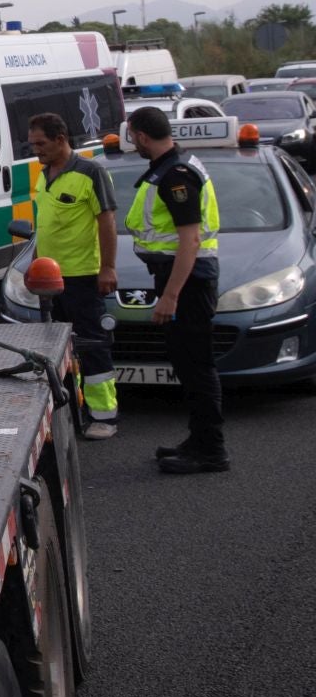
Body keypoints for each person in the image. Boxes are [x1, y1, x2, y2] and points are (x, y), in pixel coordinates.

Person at [125, 107, 227, 474]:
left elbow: (191, 239)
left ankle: (211, 450)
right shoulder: (174, 166)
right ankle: (198, 440)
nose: (132, 142)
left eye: (131, 136)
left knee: (197, 366)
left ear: (140, 135)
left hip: (188, 281)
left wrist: (170, 295)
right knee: (187, 364)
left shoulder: (176, 174)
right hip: (183, 278)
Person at [26, 113, 121, 440]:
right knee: (57, 348)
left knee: (92, 344)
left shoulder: (90, 172)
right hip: (50, 279)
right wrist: (36, 261)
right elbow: (46, 223)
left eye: (41, 143)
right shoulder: (44, 173)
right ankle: (70, 410)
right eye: (33, 143)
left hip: (82, 276)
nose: (36, 150)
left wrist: (108, 267)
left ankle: (104, 416)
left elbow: (106, 222)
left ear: (61, 139)